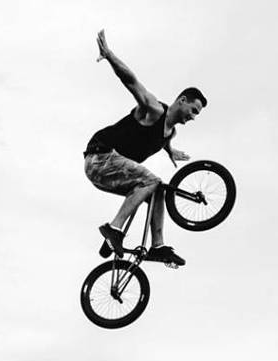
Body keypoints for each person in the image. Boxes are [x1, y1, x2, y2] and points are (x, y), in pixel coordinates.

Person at [84, 29, 206, 267]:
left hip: (109, 169)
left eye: (196, 115)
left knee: (157, 190)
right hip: (99, 157)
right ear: (182, 100)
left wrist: (170, 150)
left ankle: (158, 246)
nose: (193, 117)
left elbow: (163, 139)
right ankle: (113, 229)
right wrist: (109, 56)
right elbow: (131, 81)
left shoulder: (170, 132)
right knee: (151, 180)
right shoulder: (153, 110)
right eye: (193, 110)